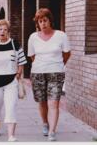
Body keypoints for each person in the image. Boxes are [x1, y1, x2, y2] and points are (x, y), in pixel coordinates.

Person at [28, 8, 71, 141]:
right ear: (37, 23)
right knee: (42, 102)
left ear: (50, 21)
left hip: (56, 73)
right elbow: (32, 56)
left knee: (53, 103)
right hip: (38, 73)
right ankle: (45, 123)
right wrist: (42, 65)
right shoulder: (33, 37)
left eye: (45, 20)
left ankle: (52, 131)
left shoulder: (61, 35)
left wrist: (57, 64)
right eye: (40, 21)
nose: (43, 23)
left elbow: (67, 53)